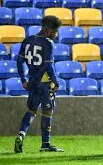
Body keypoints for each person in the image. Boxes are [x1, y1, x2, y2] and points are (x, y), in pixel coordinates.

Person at [14, 16, 63, 153]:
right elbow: (49, 66)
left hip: (32, 82)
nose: (56, 34)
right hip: (45, 82)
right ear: (48, 30)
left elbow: (19, 62)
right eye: (55, 31)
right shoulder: (48, 43)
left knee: (32, 110)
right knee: (47, 111)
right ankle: (45, 144)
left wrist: (23, 80)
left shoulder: (27, 40)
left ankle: (21, 134)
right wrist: (56, 82)